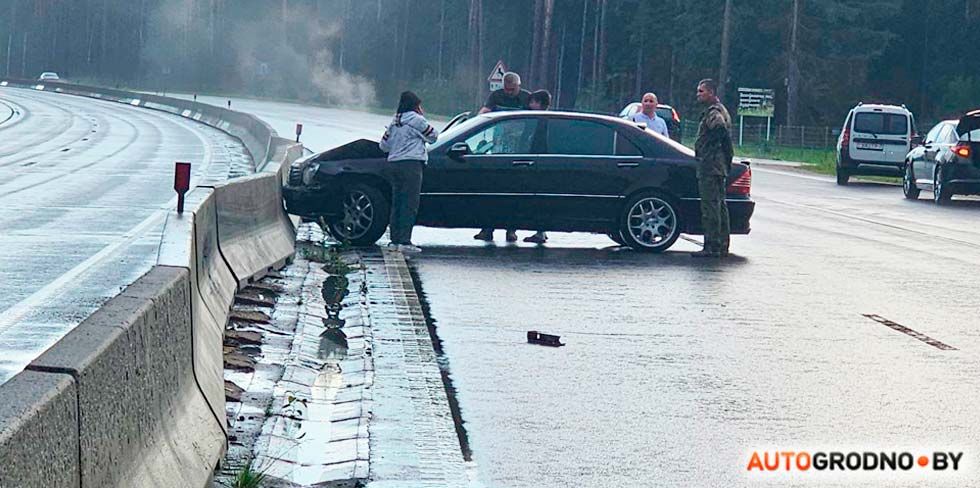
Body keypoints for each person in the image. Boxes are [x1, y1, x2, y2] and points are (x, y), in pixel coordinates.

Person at [378, 91, 439, 253]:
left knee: (397, 202)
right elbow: (433, 136)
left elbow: (383, 146)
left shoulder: (394, 122)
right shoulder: (417, 120)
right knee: (410, 203)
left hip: (393, 164)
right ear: (416, 105)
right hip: (411, 165)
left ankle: (395, 240)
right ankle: (405, 241)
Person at [475, 71, 531, 242]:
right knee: (493, 190)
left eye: (511, 89)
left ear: (518, 86)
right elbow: (486, 110)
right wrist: (478, 119)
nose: (508, 92)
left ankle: (511, 230)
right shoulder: (496, 96)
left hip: (518, 150)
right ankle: (487, 229)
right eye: (506, 89)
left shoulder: (526, 98)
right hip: (498, 148)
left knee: (512, 191)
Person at [692, 79, 734, 258]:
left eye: (701, 91)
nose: (698, 94)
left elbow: (719, 129)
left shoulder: (714, 111)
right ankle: (722, 244)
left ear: (710, 92)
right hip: (718, 165)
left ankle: (712, 245)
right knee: (719, 205)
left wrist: (708, 148)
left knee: (711, 206)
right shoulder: (720, 109)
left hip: (711, 166)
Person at [523, 90, 552, 245]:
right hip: (543, 163)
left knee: (539, 197)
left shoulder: (541, 120)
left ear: (539, 103)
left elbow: (538, 144)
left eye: (532, 102)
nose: (530, 105)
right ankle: (541, 231)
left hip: (539, 164)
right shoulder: (547, 119)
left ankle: (541, 231)